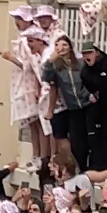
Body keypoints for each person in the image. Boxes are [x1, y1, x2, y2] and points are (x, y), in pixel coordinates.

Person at [42, 34, 92, 168]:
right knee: (77, 141)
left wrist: (91, 95)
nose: (61, 48)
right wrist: (50, 62)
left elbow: (90, 79)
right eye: (58, 45)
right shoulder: (57, 68)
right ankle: (79, 167)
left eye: (64, 45)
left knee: (90, 138)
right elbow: (46, 79)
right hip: (73, 108)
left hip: (87, 105)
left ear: (70, 47)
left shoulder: (80, 63)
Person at [79, 38, 107, 171]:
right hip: (98, 107)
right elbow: (88, 88)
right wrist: (91, 95)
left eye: (90, 53)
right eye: (84, 54)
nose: (87, 56)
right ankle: (98, 165)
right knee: (96, 136)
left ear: (97, 53)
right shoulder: (84, 72)